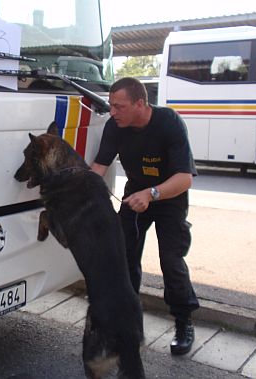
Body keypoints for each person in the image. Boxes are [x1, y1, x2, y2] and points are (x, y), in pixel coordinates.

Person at [91, 77, 200, 355]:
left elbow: (184, 179)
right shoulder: (115, 126)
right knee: (124, 258)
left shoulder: (169, 122)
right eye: (111, 106)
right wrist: (82, 196)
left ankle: (183, 322)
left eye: (119, 106)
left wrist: (151, 194)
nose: (112, 112)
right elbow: (99, 167)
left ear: (140, 104)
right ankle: (127, 322)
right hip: (134, 196)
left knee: (171, 260)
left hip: (168, 197)